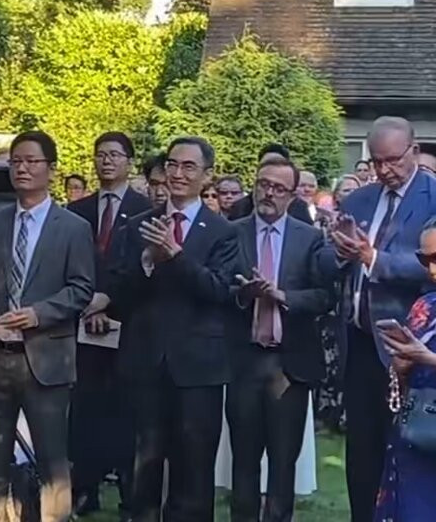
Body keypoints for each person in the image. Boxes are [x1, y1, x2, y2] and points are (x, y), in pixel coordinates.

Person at [0, 131, 94, 522]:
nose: (21, 168)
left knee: (52, 463)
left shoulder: (73, 227)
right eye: (16, 161)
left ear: (50, 170)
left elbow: (82, 288)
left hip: (46, 359)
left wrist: (39, 313)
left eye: (31, 161)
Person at [110, 136, 239, 522]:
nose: (178, 174)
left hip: (198, 367)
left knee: (194, 469)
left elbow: (220, 290)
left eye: (188, 167)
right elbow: (118, 295)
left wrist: (177, 256)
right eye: (172, 164)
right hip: (145, 362)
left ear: (207, 175)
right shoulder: (138, 226)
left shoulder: (223, 231)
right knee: (143, 464)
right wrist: (147, 263)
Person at [328, 116, 436, 522]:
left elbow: (429, 265)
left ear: (414, 150)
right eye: (377, 161)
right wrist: (340, 252)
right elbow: (328, 262)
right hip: (359, 340)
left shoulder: (433, 197)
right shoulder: (359, 200)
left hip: (411, 347)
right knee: (362, 449)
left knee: (408, 449)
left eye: (393, 160)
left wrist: (374, 258)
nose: (385, 170)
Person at [226, 157, 334, 522]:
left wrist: (283, 296)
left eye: (278, 188)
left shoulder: (309, 238)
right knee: (243, 459)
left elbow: (325, 296)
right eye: (263, 184)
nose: (268, 193)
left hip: (288, 364)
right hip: (243, 360)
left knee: (283, 461)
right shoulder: (232, 232)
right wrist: (244, 294)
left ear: (292, 196)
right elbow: (217, 287)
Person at [68, 132, 151, 517]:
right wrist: (91, 306)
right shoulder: (76, 211)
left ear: (129, 162)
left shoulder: (146, 210)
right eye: (101, 155)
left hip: (129, 323)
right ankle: (85, 487)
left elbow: (142, 270)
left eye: (115, 155)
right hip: (83, 322)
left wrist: (110, 302)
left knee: (127, 410)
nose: (107, 161)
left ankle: (131, 493)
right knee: (86, 406)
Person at [374, 217, 436, 520]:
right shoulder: (426, 305)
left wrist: (429, 358)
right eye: (425, 259)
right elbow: (399, 386)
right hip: (418, 437)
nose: (432, 269)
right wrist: (400, 366)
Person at [314, 174, 360, 432]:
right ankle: (327, 412)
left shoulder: (363, 224)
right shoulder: (327, 226)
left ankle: (344, 415)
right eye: (346, 190)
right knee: (330, 363)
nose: (351, 194)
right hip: (331, 304)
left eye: (355, 189)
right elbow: (323, 262)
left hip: (355, 305)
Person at [229, 145, 312, 225]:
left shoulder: (299, 208)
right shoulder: (240, 207)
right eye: (266, 164)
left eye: (279, 189)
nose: (269, 193)